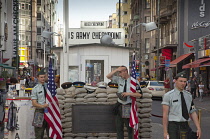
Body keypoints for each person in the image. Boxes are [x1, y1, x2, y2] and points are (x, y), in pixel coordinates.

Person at [162, 71, 201, 139]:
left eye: (184, 82)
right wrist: (165, 131)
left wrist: (198, 128)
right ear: (175, 81)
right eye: (181, 81)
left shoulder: (188, 96)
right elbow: (165, 115)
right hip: (173, 126)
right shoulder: (168, 96)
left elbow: (192, 112)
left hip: (185, 124)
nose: (183, 83)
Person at [106, 66, 142, 139]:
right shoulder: (119, 80)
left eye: (120, 72)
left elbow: (140, 94)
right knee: (119, 127)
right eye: (118, 72)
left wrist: (129, 94)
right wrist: (116, 69)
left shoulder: (133, 81)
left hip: (127, 106)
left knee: (129, 128)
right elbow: (108, 76)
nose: (119, 74)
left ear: (125, 71)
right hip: (119, 105)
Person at [31, 68, 52, 139]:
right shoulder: (35, 89)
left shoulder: (49, 87)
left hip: (49, 111)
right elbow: (34, 103)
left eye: (44, 77)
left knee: (51, 132)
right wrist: (42, 106)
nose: (43, 79)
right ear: (38, 78)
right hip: (39, 112)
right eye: (41, 77)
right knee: (39, 134)